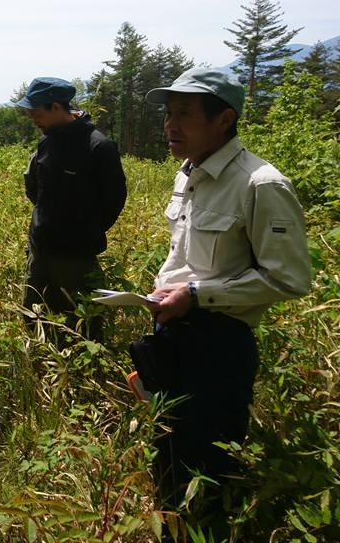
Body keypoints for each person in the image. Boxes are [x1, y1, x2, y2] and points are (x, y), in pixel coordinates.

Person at [140, 68, 311, 523]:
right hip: (172, 335)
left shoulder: (261, 184)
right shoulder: (189, 173)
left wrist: (196, 296)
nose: (171, 126)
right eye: (168, 115)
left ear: (224, 119)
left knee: (207, 472)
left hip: (218, 347)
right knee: (169, 453)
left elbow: (289, 278)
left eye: (185, 115)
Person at [19, 77, 127, 342]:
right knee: (33, 314)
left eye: (36, 110)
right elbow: (35, 190)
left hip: (76, 256)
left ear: (56, 107)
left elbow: (114, 200)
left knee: (82, 324)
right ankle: (39, 363)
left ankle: (83, 374)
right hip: (40, 248)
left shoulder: (98, 147)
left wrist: (83, 230)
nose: (31, 116)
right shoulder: (47, 141)